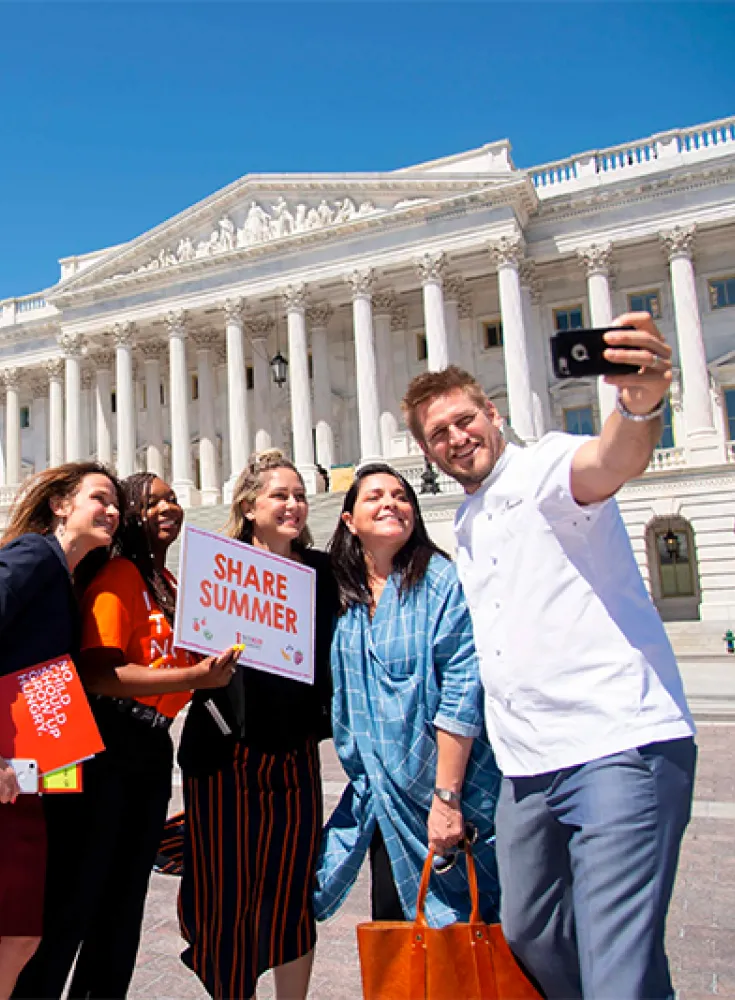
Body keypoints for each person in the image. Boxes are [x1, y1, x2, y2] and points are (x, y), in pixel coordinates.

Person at [402, 312, 697, 1000]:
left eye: (463, 419)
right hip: (527, 766)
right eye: (437, 433)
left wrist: (638, 403)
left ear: (493, 415)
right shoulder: (467, 521)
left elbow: (610, 460)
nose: (455, 437)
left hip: (615, 744)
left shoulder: (545, 469)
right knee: (532, 931)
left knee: (614, 958)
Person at [15, 473, 239, 1000]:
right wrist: (193, 677)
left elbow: (184, 666)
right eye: (152, 500)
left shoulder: (168, 583)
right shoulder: (117, 575)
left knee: (123, 908)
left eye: (174, 498)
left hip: (150, 750)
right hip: (108, 745)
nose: (169, 508)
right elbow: (97, 673)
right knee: (77, 900)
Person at [176, 450, 338, 1000]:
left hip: (294, 752)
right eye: (279, 495)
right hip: (228, 752)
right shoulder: (217, 570)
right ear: (249, 506)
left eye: (298, 495)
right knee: (226, 896)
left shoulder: (321, 572)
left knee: (294, 890)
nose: (293, 504)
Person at [314, 463, 501, 929]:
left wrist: (446, 798)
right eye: (374, 496)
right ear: (348, 519)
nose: (390, 503)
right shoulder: (341, 595)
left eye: (400, 496)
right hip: (381, 797)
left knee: (462, 936)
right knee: (398, 934)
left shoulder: (440, 582)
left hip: (442, 797)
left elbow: (462, 692)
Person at [0, 461, 121, 1000]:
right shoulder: (32, 557)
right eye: (100, 498)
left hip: (30, 775)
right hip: (6, 771)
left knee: (20, 934)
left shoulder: (62, 575)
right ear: (60, 504)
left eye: (116, 502)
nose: (113, 510)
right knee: (15, 933)